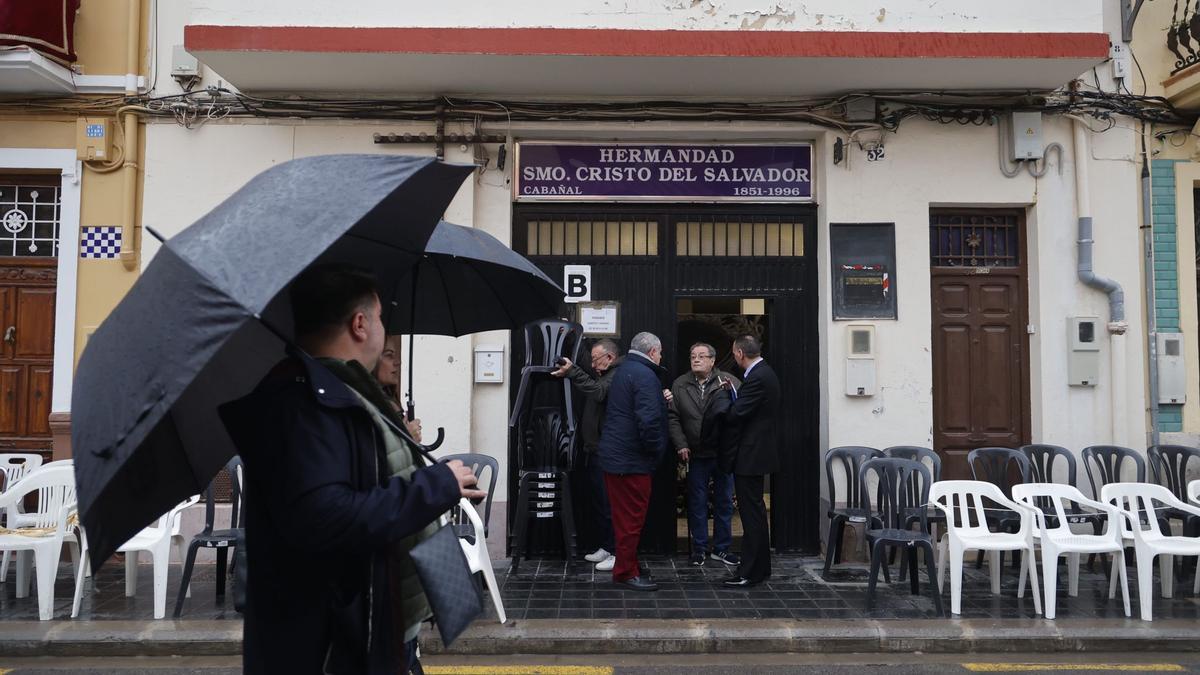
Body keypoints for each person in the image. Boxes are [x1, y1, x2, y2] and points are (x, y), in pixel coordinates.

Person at [219, 264, 485, 674]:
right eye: (380, 318)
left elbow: (368, 483)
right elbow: (326, 517)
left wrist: (435, 476)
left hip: (380, 628)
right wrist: (435, 486)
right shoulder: (303, 406)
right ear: (360, 324)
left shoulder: (343, 392)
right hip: (338, 647)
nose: (382, 329)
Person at [597, 331, 669, 592]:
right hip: (631, 461)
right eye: (660, 353)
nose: (661, 358)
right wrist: (655, 453)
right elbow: (648, 422)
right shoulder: (646, 375)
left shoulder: (624, 370)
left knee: (622, 518)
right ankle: (626, 572)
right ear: (652, 351)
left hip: (617, 458)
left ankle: (628, 565)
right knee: (631, 520)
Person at [668, 342, 741, 568]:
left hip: (722, 453)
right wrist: (680, 444)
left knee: (724, 501)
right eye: (692, 356)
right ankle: (699, 549)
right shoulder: (680, 384)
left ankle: (721, 548)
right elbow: (673, 418)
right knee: (697, 502)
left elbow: (741, 413)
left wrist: (733, 393)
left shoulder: (727, 382)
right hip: (695, 453)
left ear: (712, 360)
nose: (696, 359)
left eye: (701, 356)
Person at [552, 338, 620, 571]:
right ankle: (606, 546)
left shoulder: (614, 377)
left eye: (595, 359)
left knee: (611, 505)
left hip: (606, 452)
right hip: (594, 451)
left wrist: (572, 372)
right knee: (600, 504)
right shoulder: (603, 375)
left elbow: (598, 392)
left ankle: (616, 551)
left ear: (610, 358)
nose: (592, 364)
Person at [721, 334, 781, 588]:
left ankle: (750, 573)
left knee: (751, 514)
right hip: (756, 452)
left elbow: (738, 413)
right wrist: (735, 391)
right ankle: (761, 568)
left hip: (751, 454)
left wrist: (728, 399)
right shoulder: (764, 373)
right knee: (755, 512)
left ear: (738, 353)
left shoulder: (757, 377)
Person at [372, 334, 424, 443]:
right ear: (372, 359)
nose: (398, 362)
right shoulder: (367, 405)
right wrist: (406, 437)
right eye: (389, 355)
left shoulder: (389, 398)